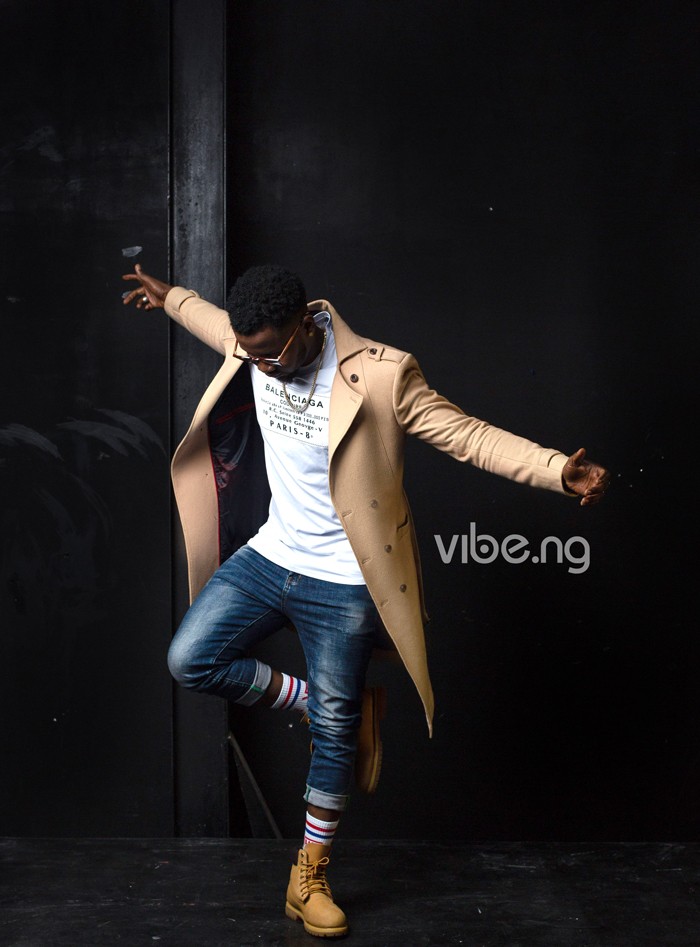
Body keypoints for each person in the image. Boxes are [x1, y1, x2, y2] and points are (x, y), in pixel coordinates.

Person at [122, 262, 610, 938]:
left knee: (333, 735)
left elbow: (467, 435)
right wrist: (171, 296)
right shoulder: (251, 342)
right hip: (273, 554)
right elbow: (210, 320)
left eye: (269, 355)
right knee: (190, 658)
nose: (259, 367)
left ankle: (309, 874)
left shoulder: (382, 374)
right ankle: (328, 713)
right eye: (249, 355)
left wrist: (556, 469)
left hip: (345, 577)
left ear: (304, 325)